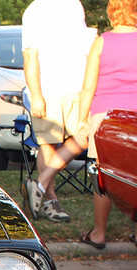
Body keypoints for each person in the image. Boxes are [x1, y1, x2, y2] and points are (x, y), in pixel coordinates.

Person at [20, 0, 97, 222]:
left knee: (84, 137)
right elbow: (30, 56)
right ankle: (50, 203)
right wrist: (36, 95)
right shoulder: (34, 10)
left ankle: (39, 184)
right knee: (47, 145)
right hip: (49, 89)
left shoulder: (75, 5)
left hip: (79, 88)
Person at [76, 0, 137, 249]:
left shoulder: (102, 42)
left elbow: (88, 86)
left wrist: (82, 119)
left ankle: (99, 234)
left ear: (113, 12)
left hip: (105, 117)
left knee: (104, 175)